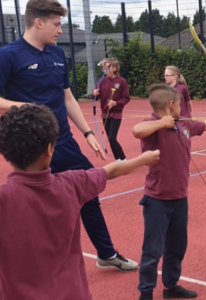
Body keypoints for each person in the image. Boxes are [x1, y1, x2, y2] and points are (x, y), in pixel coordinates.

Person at [0, 0, 137, 272]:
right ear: (38, 22)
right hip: (31, 145)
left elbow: (68, 98)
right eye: (56, 24)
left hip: (63, 141)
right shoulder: (8, 55)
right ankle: (30, 265)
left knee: (87, 191)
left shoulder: (57, 55)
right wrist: (28, 108)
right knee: (34, 204)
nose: (60, 31)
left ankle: (106, 254)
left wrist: (86, 132)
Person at [0, 104, 160, 300]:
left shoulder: (4, 197)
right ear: (50, 150)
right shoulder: (73, 183)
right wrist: (143, 159)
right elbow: (110, 171)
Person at [132, 84, 206, 300]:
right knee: (153, 251)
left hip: (180, 199)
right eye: (180, 104)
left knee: (177, 245)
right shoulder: (152, 127)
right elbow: (137, 131)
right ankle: (145, 293)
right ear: (171, 105)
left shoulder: (184, 124)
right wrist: (161, 123)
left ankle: (171, 286)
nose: (182, 107)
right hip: (157, 200)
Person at [92, 57, 130, 161]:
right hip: (105, 114)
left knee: (112, 138)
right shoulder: (101, 81)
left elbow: (126, 98)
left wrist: (116, 103)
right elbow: (96, 96)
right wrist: (94, 93)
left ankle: (123, 159)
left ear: (115, 68)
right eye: (104, 69)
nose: (105, 71)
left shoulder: (121, 81)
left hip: (116, 113)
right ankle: (118, 160)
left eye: (108, 68)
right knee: (110, 139)